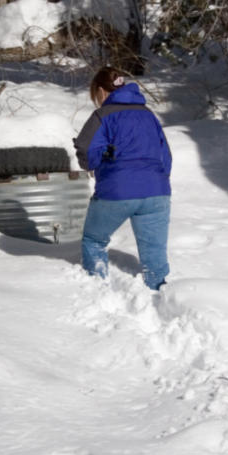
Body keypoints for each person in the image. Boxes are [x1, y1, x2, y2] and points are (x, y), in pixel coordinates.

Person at [73, 66, 171, 290]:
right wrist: (157, 180)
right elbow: (166, 155)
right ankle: (159, 292)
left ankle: (96, 287)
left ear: (100, 91)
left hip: (117, 191)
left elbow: (86, 151)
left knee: (94, 240)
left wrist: (93, 162)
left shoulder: (103, 115)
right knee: (154, 252)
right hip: (157, 191)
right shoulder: (149, 115)